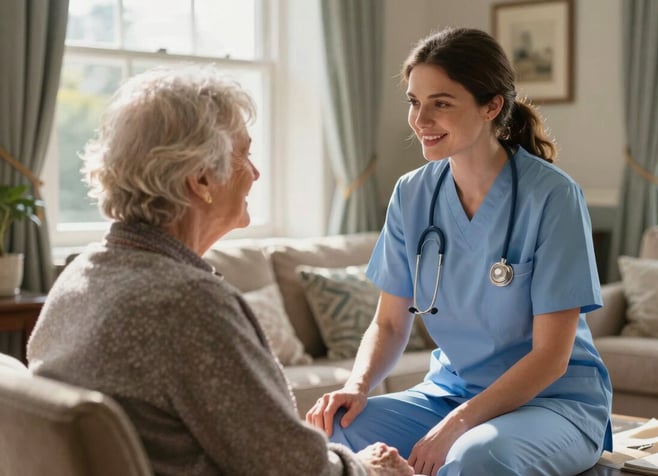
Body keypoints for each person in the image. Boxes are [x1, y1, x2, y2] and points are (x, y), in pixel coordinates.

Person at [27, 66, 414, 476]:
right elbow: (292, 469)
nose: (255, 172)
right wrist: (371, 470)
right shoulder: (187, 303)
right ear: (201, 179)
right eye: (245, 154)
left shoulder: (80, 275)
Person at [305, 27, 613, 476]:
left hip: (554, 402)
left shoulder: (553, 197)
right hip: (453, 392)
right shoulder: (411, 195)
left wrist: (457, 425)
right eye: (414, 101)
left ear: (492, 107)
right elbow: (390, 323)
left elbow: (551, 358)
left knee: (475, 456)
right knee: (335, 433)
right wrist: (356, 385)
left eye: (441, 103)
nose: (420, 119)